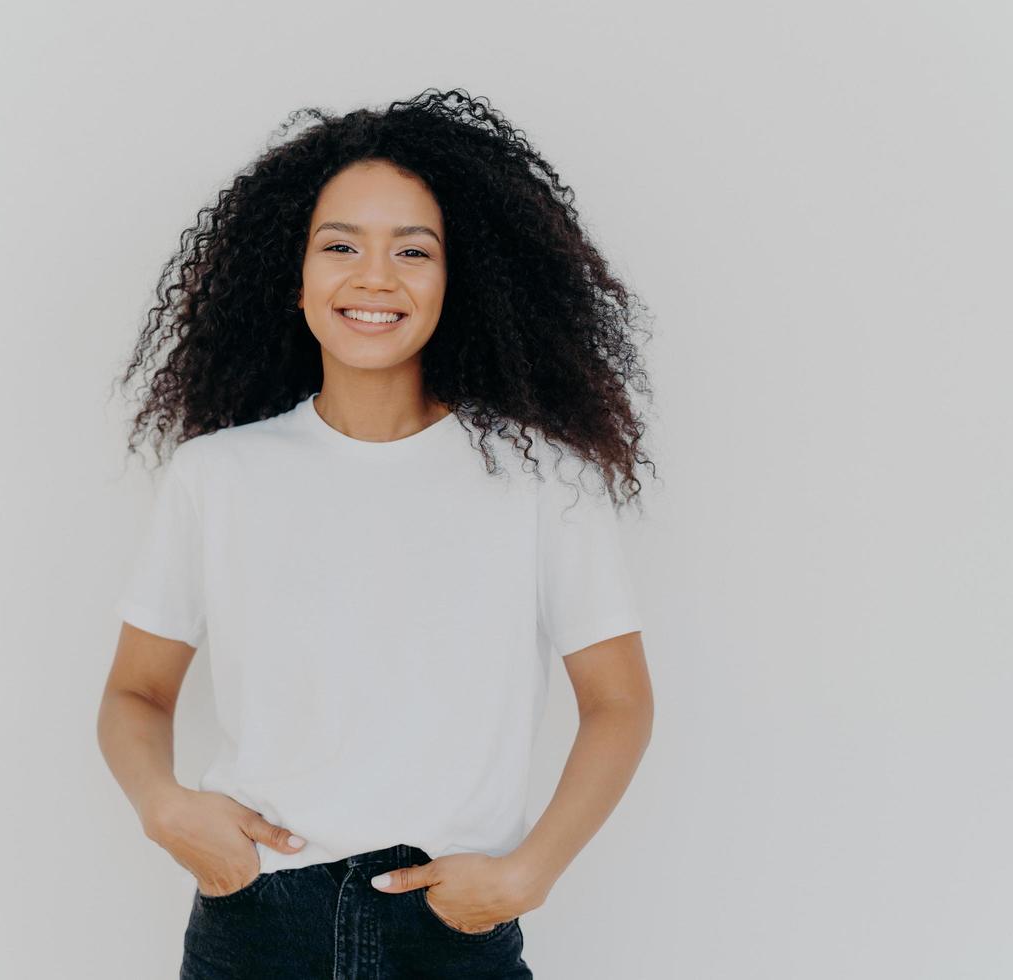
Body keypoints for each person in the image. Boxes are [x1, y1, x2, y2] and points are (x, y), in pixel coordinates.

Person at [97, 87, 657, 979]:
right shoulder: (218, 474)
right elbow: (136, 694)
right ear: (297, 275)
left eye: (413, 250)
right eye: (341, 246)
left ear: (457, 277)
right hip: (256, 929)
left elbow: (620, 704)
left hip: (451, 932)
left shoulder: (543, 481)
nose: (374, 277)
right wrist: (164, 808)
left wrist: (528, 876)